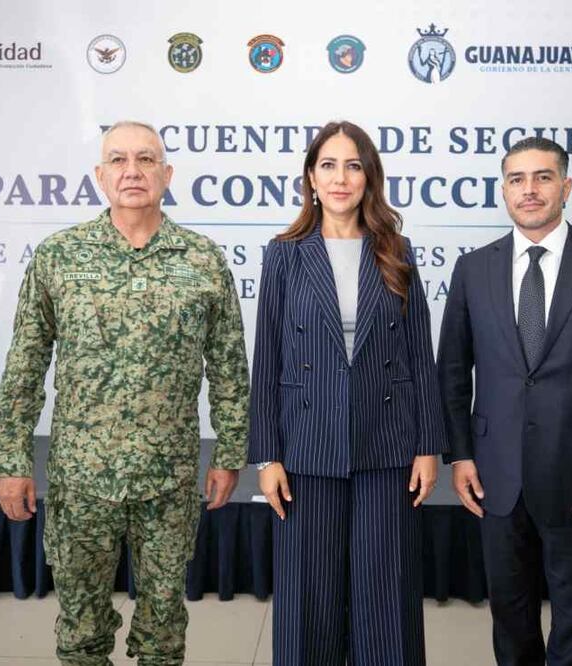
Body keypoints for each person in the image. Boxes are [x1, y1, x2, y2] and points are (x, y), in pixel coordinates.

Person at [0, 120, 250, 666]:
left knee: (163, 634)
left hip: (169, 482)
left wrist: (229, 452)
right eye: (120, 160)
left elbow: (228, 366)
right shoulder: (59, 257)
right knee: (81, 634)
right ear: (100, 176)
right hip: (82, 482)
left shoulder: (201, 260)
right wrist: (10, 457)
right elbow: (25, 364)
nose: (133, 171)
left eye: (147, 159)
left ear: (168, 174)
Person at [437, 137, 572, 666]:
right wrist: (461, 455)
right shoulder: (474, 270)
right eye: (516, 179)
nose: (529, 190)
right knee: (509, 614)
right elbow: (451, 371)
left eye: (542, 177)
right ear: (503, 190)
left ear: (567, 186)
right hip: (495, 474)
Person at [248, 120, 447, 666]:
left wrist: (428, 444)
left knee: (386, 592)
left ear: (369, 178)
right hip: (306, 448)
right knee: (307, 598)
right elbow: (267, 360)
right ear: (311, 177)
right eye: (329, 165)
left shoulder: (396, 249)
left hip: (386, 447)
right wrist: (267, 455)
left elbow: (417, 356)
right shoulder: (285, 254)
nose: (340, 178)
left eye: (353, 165)